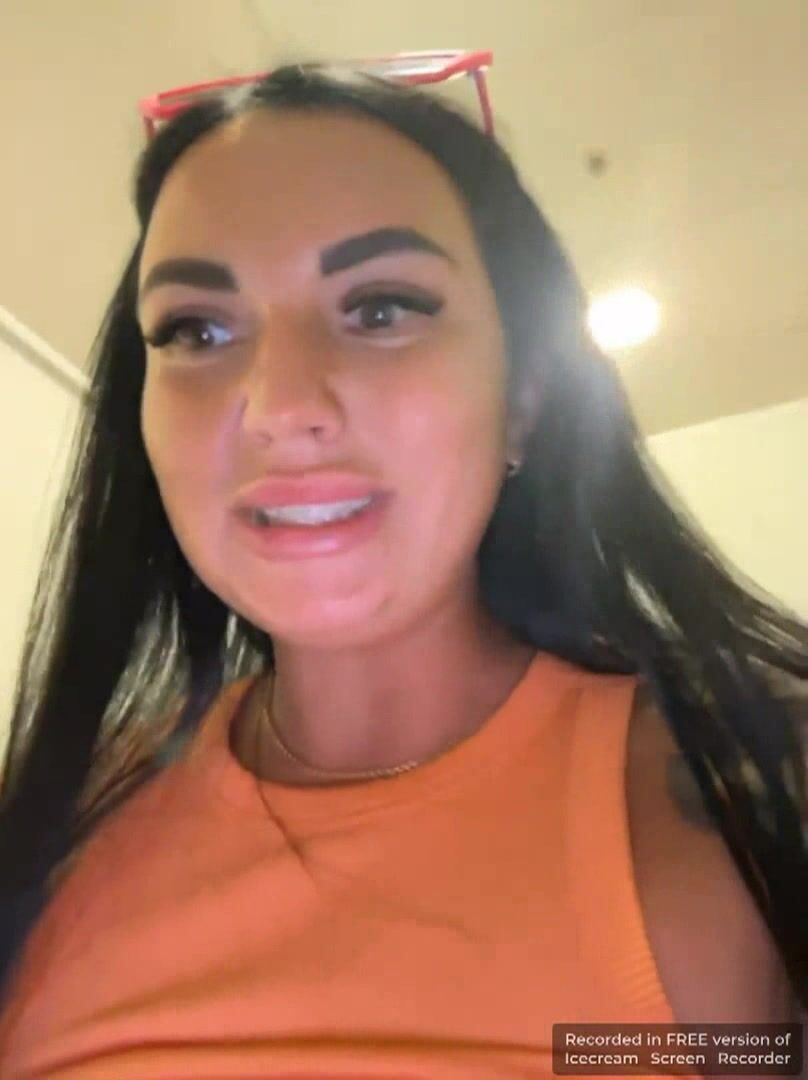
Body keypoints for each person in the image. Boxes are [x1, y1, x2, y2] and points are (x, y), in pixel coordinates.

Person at [0, 63, 805, 1078]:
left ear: (522, 401)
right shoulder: (55, 816)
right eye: (196, 330)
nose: (281, 406)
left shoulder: (753, 791)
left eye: (381, 309)